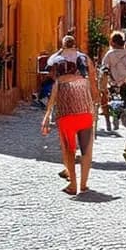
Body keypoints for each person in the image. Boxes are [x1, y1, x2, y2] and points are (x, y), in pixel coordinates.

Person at [40, 35, 97, 194]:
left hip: (66, 112)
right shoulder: (85, 60)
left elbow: (52, 97)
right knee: (86, 149)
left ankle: (73, 184)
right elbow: (93, 82)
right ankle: (84, 184)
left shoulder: (58, 71)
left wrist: (47, 114)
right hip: (85, 108)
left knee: (69, 148)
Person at [100, 32, 126, 130]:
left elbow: (104, 67)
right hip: (124, 81)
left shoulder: (109, 54)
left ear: (113, 42)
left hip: (112, 81)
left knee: (109, 100)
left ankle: (111, 120)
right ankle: (123, 116)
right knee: (124, 100)